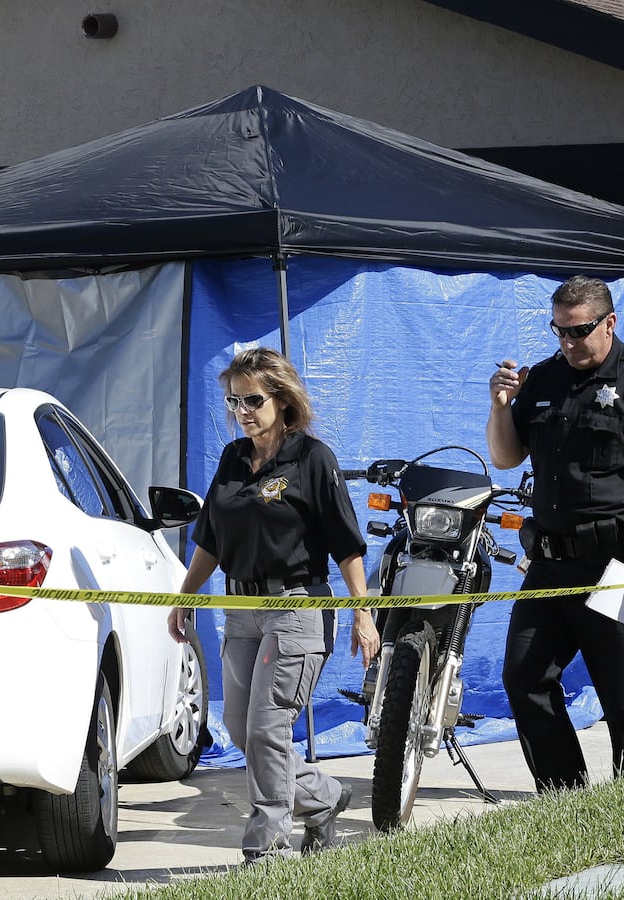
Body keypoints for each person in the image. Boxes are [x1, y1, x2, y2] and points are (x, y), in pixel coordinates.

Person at [166, 347, 380, 863]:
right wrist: (184, 596)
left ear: (282, 400)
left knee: (267, 728)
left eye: (253, 400)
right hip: (239, 610)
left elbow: (346, 543)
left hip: (295, 608)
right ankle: (325, 797)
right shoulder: (233, 459)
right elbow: (212, 539)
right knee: (243, 731)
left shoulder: (311, 459)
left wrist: (362, 611)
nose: (242, 410)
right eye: (233, 401)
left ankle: (269, 847)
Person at [485, 275, 624, 792]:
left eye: (579, 331)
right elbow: (507, 457)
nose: (569, 342)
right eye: (559, 331)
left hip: (618, 563)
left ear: (610, 322)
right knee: (525, 677)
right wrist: (499, 407)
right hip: (552, 563)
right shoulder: (543, 380)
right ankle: (565, 799)